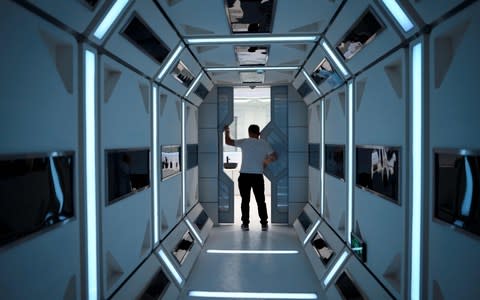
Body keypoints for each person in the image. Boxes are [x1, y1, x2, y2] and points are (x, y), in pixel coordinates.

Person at [224, 124, 277, 231]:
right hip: (257, 176)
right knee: (261, 200)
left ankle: (245, 224)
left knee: (245, 200)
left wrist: (227, 131)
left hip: (244, 176)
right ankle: (264, 224)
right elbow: (274, 156)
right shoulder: (264, 143)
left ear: (249, 133)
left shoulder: (244, 142)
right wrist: (265, 162)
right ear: (259, 133)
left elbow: (228, 141)